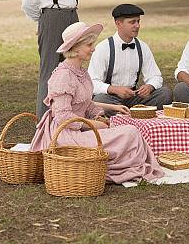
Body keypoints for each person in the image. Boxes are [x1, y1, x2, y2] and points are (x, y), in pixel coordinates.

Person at [30, 21, 164, 184]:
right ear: (75, 48)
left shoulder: (82, 72)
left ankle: (126, 163)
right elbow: (63, 117)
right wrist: (93, 125)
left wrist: (103, 114)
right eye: (89, 45)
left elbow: (86, 104)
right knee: (130, 132)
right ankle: (123, 167)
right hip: (65, 137)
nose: (93, 49)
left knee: (130, 131)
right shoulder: (63, 76)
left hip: (79, 130)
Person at [21, 0, 81, 119]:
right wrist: (43, 23)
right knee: (49, 71)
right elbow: (28, 3)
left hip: (73, 18)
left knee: (73, 69)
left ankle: (69, 119)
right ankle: (43, 123)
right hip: (51, 19)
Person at [88, 4, 172, 111]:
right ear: (119, 24)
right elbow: (92, 82)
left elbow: (156, 76)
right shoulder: (103, 48)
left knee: (165, 94)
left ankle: (131, 114)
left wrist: (149, 86)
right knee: (100, 100)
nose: (137, 25)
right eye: (132, 22)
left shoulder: (142, 47)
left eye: (138, 21)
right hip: (111, 98)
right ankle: (132, 114)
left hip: (135, 97)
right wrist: (114, 89)